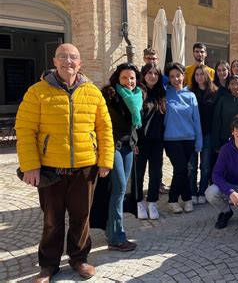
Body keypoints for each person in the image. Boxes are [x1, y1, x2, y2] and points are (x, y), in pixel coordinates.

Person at [15, 43, 114, 281]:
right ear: (55, 61)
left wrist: (105, 160)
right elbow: (25, 129)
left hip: (85, 168)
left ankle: (79, 259)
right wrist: (30, 166)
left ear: (80, 64)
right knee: (52, 219)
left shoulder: (93, 92)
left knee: (81, 217)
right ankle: (48, 265)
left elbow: (104, 128)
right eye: (63, 57)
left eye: (73, 58)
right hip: (51, 169)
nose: (68, 61)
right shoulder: (37, 91)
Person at [102, 63, 143, 252]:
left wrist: (134, 143)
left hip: (128, 146)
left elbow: (134, 126)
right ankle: (117, 238)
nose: (129, 82)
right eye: (125, 78)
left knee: (119, 191)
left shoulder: (138, 96)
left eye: (132, 78)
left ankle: (111, 231)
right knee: (118, 190)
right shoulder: (110, 95)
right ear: (117, 78)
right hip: (113, 146)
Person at [164, 62, 203, 213]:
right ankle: (174, 199)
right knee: (180, 169)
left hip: (189, 139)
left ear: (183, 76)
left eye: (178, 75)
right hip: (171, 139)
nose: (175, 79)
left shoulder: (191, 95)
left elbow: (197, 120)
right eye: (172, 76)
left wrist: (198, 142)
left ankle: (185, 198)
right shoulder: (165, 93)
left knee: (183, 171)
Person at [135, 63, 166, 220]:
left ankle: (152, 202)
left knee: (156, 173)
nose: (152, 76)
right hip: (140, 142)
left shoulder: (161, 93)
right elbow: (132, 119)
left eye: (156, 73)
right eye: (149, 73)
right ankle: (139, 201)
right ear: (144, 74)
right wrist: (133, 142)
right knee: (139, 173)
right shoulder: (138, 92)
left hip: (157, 141)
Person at [189, 65, 218, 204]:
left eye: (201, 74)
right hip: (192, 134)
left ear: (207, 76)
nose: (199, 77)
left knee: (206, 166)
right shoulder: (190, 92)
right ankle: (192, 192)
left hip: (207, 134)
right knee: (192, 166)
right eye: (197, 74)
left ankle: (202, 192)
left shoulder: (214, 92)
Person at [212, 75, 238, 150]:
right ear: (228, 86)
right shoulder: (223, 100)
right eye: (232, 84)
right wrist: (216, 142)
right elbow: (217, 121)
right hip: (225, 139)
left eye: (237, 84)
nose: (235, 86)